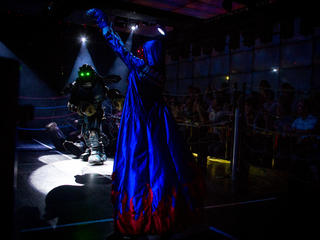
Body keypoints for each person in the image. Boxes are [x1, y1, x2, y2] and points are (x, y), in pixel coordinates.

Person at [87, 8, 205, 238]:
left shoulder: (140, 68)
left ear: (149, 54)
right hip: (160, 125)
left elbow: (118, 45)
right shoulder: (160, 75)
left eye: (144, 52)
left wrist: (104, 23)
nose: (140, 55)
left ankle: (143, 212)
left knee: (139, 167)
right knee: (163, 165)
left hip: (140, 126)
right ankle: (165, 209)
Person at [65, 64, 121, 165]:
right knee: (85, 132)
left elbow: (104, 92)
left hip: (95, 110)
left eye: (87, 73)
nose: (85, 76)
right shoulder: (78, 83)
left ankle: (96, 151)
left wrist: (114, 97)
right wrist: (74, 103)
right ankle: (93, 150)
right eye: (83, 74)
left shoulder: (97, 81)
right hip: (84, 110)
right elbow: (73, 96)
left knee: (93, 130)